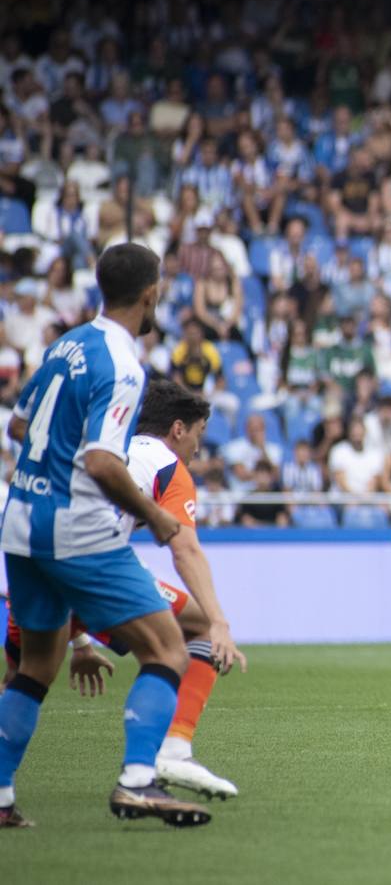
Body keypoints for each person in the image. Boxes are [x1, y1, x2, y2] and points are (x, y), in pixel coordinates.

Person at [0, 244, 213, 828]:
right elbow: (100, 461)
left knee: (35, 667)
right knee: (169, 647)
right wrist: (157, 515)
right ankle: (138, 783)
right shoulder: (122, 364)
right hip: (78, 529)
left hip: (20, 524)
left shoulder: (65, 344)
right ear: (151, 293)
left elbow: (20, 423)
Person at [4, 378, 248, 799]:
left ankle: (3, 797)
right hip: (94, 567)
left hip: (35, 560)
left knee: (23, 679)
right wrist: (220, 620)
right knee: (197, 630)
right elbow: (185, 549)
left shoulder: (109, 450)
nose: (197, 447)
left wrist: (79, 641)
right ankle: (167, 753)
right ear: (177, 429)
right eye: (198, 435)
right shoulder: (168, 466)